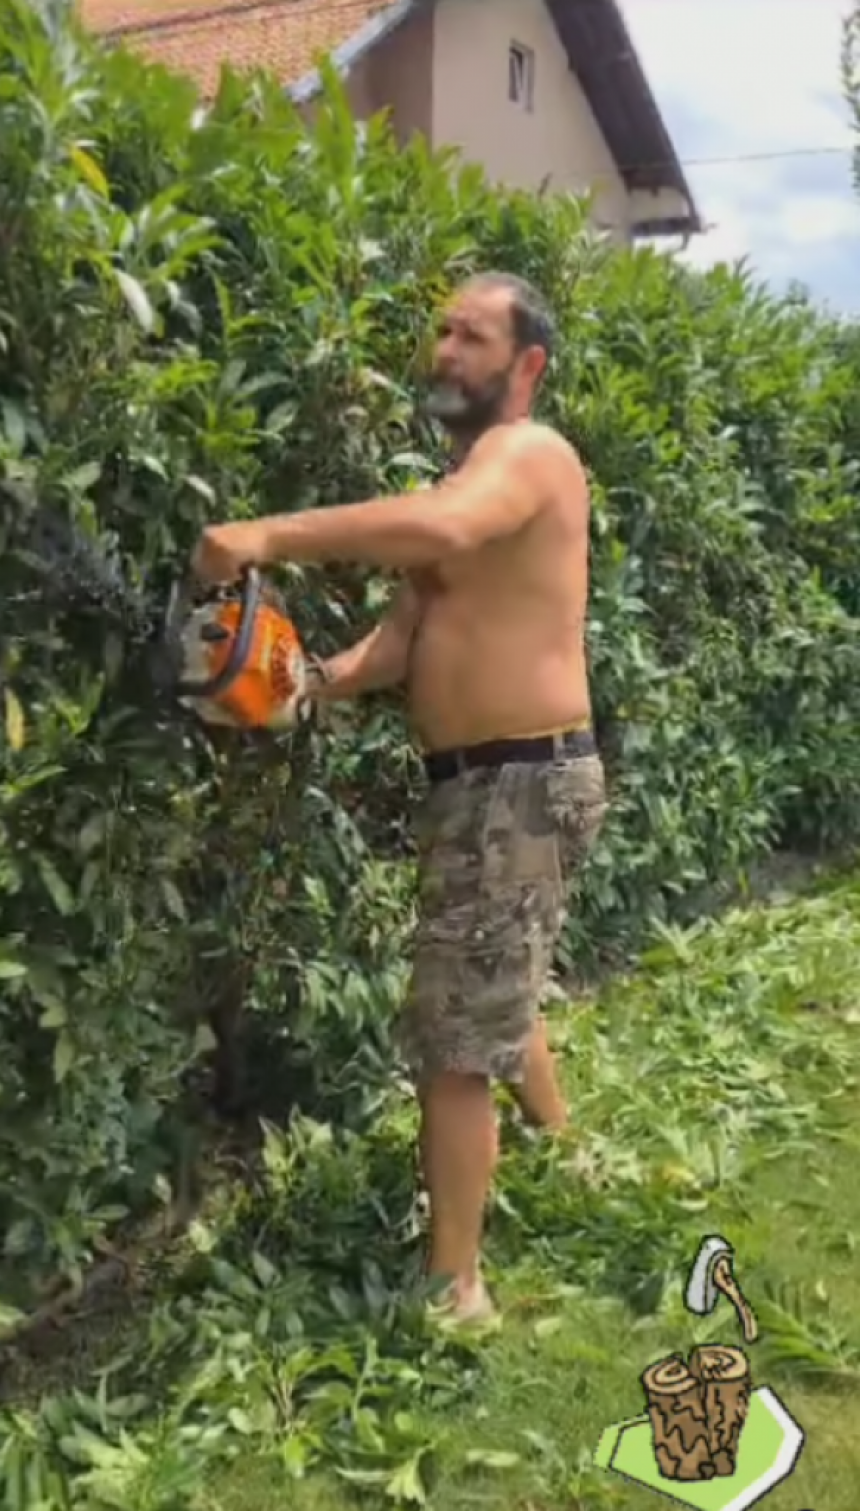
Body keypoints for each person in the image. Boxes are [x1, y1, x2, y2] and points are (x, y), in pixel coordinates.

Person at [191, 271, 608, 1322]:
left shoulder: (528, 456)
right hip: (490, 783)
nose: (446, 349)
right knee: (494, 971)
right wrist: (306, 680)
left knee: (454, 1037)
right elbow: (402, 638)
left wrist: (266, 535)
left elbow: (445, 529)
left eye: (474, 336)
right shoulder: (460, 483)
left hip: (518, 776)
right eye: (443, 331)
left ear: (528, 365)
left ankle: (454, 1285)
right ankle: (565, 1149)